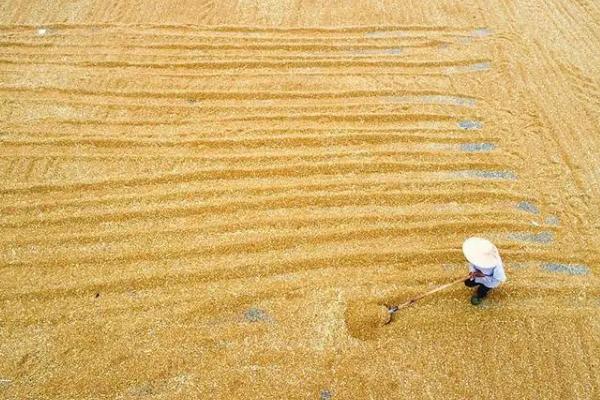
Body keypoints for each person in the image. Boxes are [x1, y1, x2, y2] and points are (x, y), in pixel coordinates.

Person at [462, 237, 506, 305]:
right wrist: (472, 272)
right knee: (468, 282)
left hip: (488, 282)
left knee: (482, 290)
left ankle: (480, 296)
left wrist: (483, 275)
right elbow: (471, 264)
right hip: (476, 276)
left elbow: (498, 279)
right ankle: (478, 284)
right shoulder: (473, 256)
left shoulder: (497, 266)